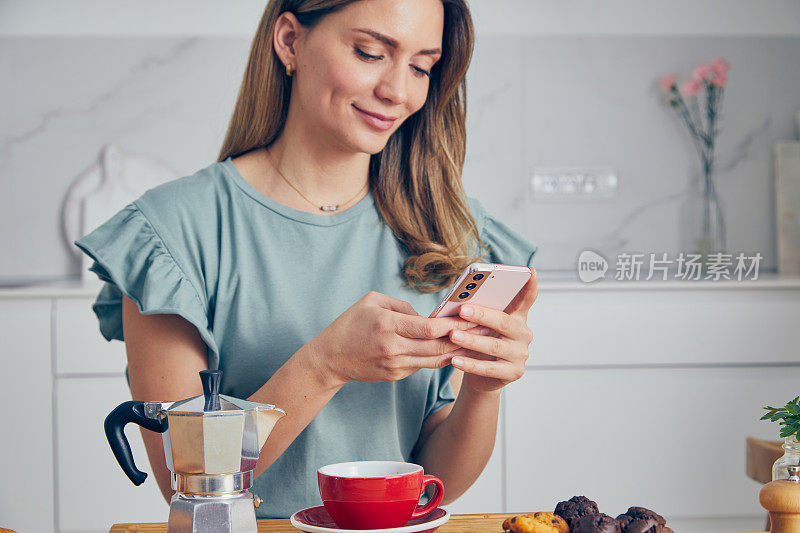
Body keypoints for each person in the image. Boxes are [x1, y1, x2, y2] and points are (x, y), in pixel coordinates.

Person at [74, 0, 538, 519]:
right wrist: (325, 365)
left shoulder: (445, 234)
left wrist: (482, 390)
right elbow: (187, 484)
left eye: (421, 67)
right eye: (369, 52)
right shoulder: (171, 234)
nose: (398, 92)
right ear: (290, 41)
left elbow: (437, 484)